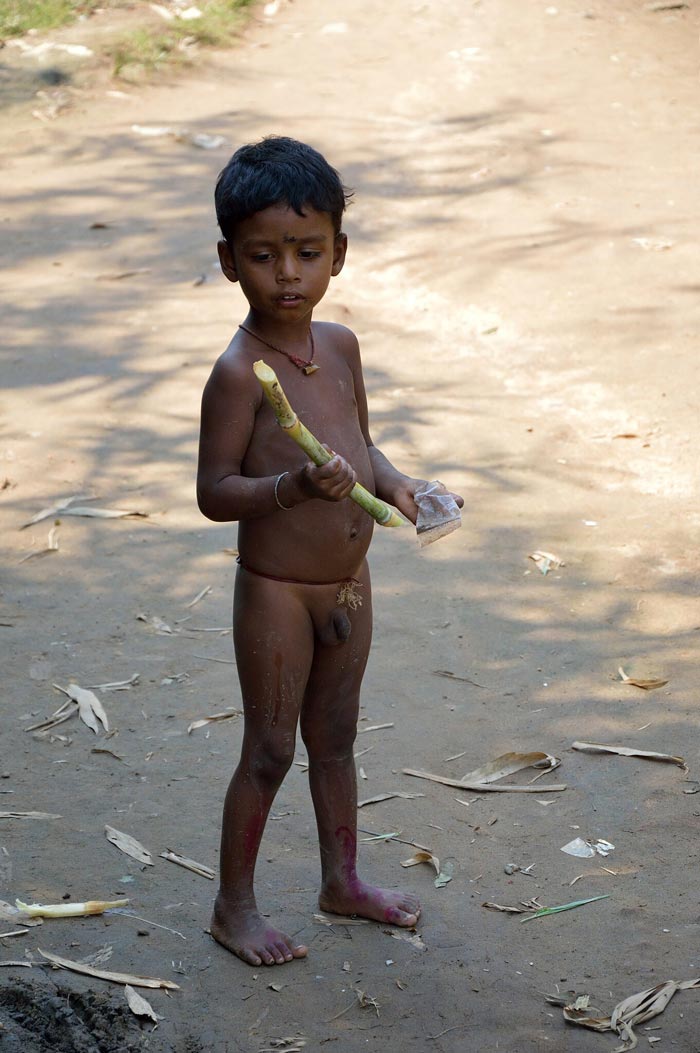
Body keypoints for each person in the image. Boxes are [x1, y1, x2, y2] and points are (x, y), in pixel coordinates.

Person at [197, 136, 463, 967]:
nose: (287, 275)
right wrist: (291, 492)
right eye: (263, 256)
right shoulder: (239, 374)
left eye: (307, 253)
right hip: (277, 589)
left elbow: (365, 447)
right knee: (272, 748)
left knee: (338, 739)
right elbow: (214, 493)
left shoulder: (341, 346)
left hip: (349, 583)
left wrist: (403, 485)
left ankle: (340, 881)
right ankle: (232, 906)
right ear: (228, 261)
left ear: (338, 255)